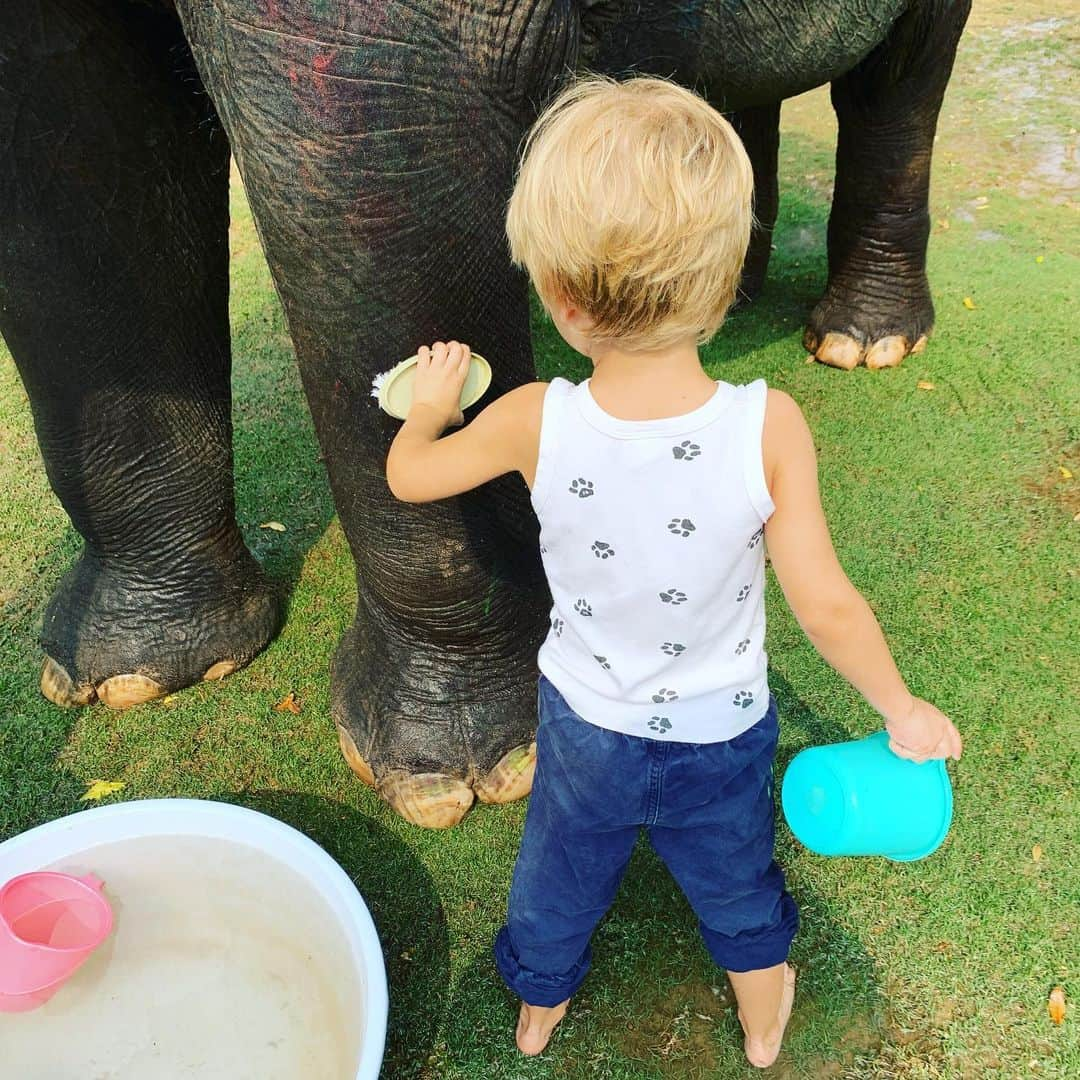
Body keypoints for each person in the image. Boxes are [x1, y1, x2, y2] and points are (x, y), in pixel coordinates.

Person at [384, 75, 962, 1068]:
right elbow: (823, 604)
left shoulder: (532, 416)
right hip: (720, 731)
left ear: (560, 301)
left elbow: (410, 475)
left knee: (559, 871)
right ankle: (763, 995)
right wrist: (902, 710)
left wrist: (432, 403)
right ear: (727, 274)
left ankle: (541, 998)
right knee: (733, 872)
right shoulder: (765, 426)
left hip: (586, 723)